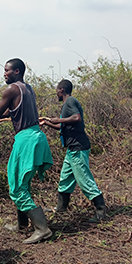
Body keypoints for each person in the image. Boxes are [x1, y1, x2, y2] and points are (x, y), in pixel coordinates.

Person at [0, 58, 54, 244]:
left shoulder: (12, 89)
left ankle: (42, 229)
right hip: (36, 137)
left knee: (17, 187)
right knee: (21, 183)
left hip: (26, 140)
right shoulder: (27, 89)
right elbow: (11, 111)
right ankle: (22, 225)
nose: (4, 73)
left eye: (7, 70)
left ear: (17, 71)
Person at [40, 79, 106, 222]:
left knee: (84, 180)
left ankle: (101, 211)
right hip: (72, 149)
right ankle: (61, 208)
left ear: (61, 90)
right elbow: (63, 126)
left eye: (57, 89)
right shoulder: (66, 105)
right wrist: (47, 123)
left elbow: (76, 118)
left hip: (78, 147)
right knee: (65, 179)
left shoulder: (70, 102)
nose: (56, 92)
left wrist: (59, 120)